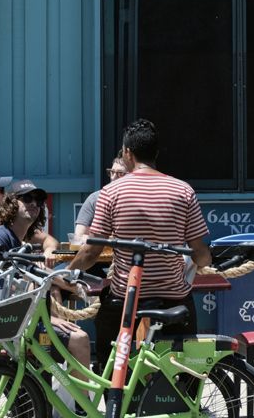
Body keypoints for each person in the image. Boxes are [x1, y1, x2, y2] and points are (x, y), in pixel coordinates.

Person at [68, 119, 212, 367]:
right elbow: (199, 251)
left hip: (127, 295)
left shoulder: (111, 193)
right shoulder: (183, 190)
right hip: (174, 295)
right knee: (184, 361)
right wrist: (204, 263)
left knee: (108, 357)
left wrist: (68, 273)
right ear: (155, 152)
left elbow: (91, 251)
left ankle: (116, 402)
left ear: (127, 153)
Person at [0, 178, 92, 385]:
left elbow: (41, 273)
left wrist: (80, 286)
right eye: (27, 198)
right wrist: (46, 319)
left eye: (39, 200)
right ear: (12, 204)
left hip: (20, 323)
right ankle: (81, 410)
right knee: (80, 340)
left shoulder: (18, 239)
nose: (34, 203)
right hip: (10, 328)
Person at [73, 152, 127, 242]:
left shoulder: (137, 199)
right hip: (101, 254)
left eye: (120, 173)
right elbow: (79, 235)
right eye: (112, 172)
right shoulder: (95, 198)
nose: (113, 177)